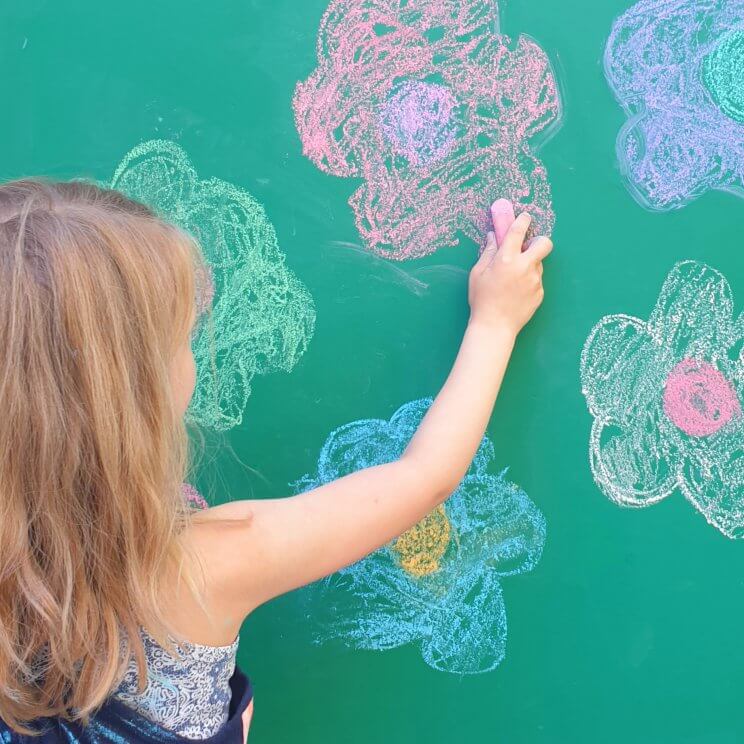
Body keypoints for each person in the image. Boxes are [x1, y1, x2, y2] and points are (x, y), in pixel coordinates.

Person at [0, 181, 551, 742]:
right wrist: (495, 323)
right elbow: (425, 477)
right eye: (185, 338)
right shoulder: (198, 567)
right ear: (134, 399)